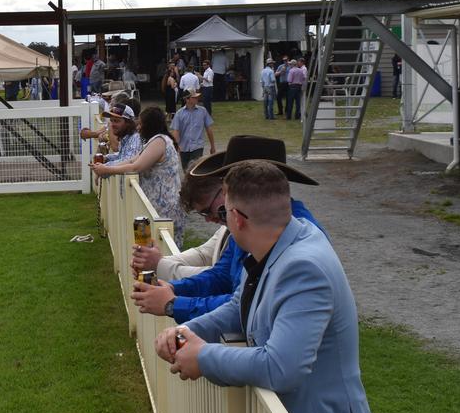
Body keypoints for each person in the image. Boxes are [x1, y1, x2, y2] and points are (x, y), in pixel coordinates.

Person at [154, 161, 381, 413]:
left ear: (236, 217)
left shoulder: (304, 267)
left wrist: (203, 357)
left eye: (222, 214)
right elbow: (239, 306)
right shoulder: (274, 243)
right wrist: (188, 332)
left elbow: (281, 367)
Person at [132, 135, 322, 324]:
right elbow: (222, 277)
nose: (230, 191)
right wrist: (172, 289)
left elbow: (246, 307)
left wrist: (173, 304)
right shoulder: (251, 223)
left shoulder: (295, 240)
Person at [91, 106, 186, 245]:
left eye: (141, 124)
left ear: (149, 125)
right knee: (145, 249)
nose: (139, 127)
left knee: (163, 253)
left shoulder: (159, 142)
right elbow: (131, 160)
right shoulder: (154, 141)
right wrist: (105, 166)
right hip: (151, 209)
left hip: (163, 213)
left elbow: (136, 167)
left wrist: (106, 171)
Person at [170, 90, 215, 169]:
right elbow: (176, 131)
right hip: (183, 147)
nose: (197, 98)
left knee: (194, 169)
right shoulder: (179, 114)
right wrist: (176, 146)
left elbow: (208, 128)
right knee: (186, 170)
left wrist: (212, 146)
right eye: (194, 97)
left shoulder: (203, 111)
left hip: (197, 146)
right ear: (187, 99)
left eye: (197, 97)